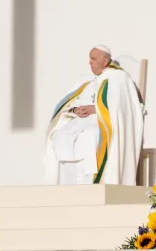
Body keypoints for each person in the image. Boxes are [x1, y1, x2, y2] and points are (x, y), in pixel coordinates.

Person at [44, 45, 145, 185]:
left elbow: (123, 108)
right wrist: (75, 110)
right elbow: (72, 101)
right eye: (89, 59)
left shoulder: (119, 77)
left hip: (103, 120)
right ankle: (67, 183)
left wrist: (96, 109)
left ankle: (92, 182)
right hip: (81, 120)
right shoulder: (88, 79)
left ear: (105, 60)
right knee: (59, 135)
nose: (89, 62)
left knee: (91, 136)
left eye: (93, 59)